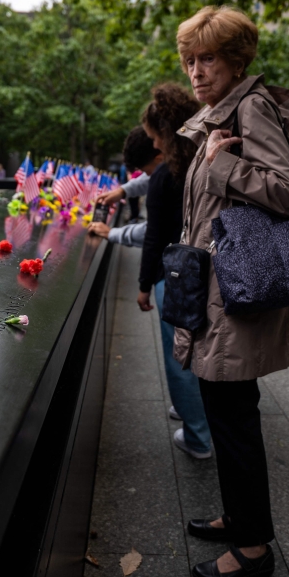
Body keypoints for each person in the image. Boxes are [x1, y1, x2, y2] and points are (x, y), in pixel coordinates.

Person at [172, 5, 289, 577]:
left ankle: (252, 549)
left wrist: (222, 164)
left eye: (207, 59)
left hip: (236, 290)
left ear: (236, 60)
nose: (196, 71)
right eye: (189, 60)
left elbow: (288, 191)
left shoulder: (249, 108)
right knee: (228, 411)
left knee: (233, 418)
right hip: (219, 290)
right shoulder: (216, 114)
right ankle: (240, 517)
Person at [92, 112, 214, 462]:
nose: (157, 142)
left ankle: (197, 436)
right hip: (204, 269)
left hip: (177, 275)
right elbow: (153, 179)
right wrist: (123, 190)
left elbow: (154, 235)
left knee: (180, 358)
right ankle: (197, 416)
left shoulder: (166, 174)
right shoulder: (193, 156)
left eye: (156, 137)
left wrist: (143, 282)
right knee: (197, 350)